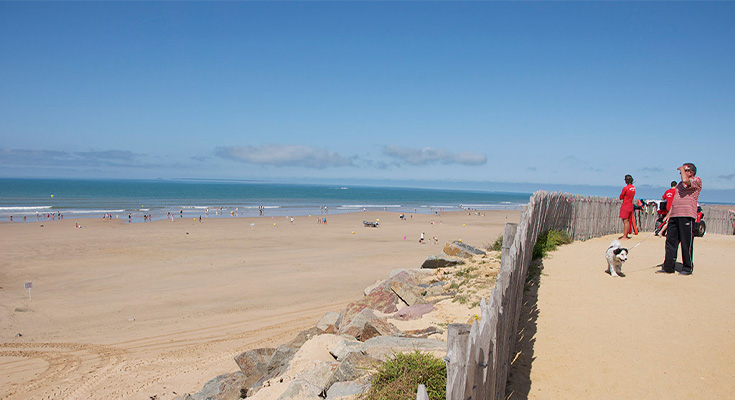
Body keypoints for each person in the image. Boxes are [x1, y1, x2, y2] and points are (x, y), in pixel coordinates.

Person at [657, 163, 702, 275]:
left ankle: (687, 267)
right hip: (675, 215)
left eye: (684, 170)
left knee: (686, 243)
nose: (681, 172)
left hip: (686, 215)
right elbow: (675, 200)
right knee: (670, 241)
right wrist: (668, 215)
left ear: (690, 172)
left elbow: (687, 181)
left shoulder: (697, 180)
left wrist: (682, 170)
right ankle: (668, 267)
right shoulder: (679, 185)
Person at [618, 174, 636, 240]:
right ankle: (626, 235)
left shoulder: (626, 188)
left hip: (626, 204)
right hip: (630, 204)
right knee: (627, 221)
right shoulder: (633, 188)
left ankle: (625, 236)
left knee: (625, 221)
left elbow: (621, 196)